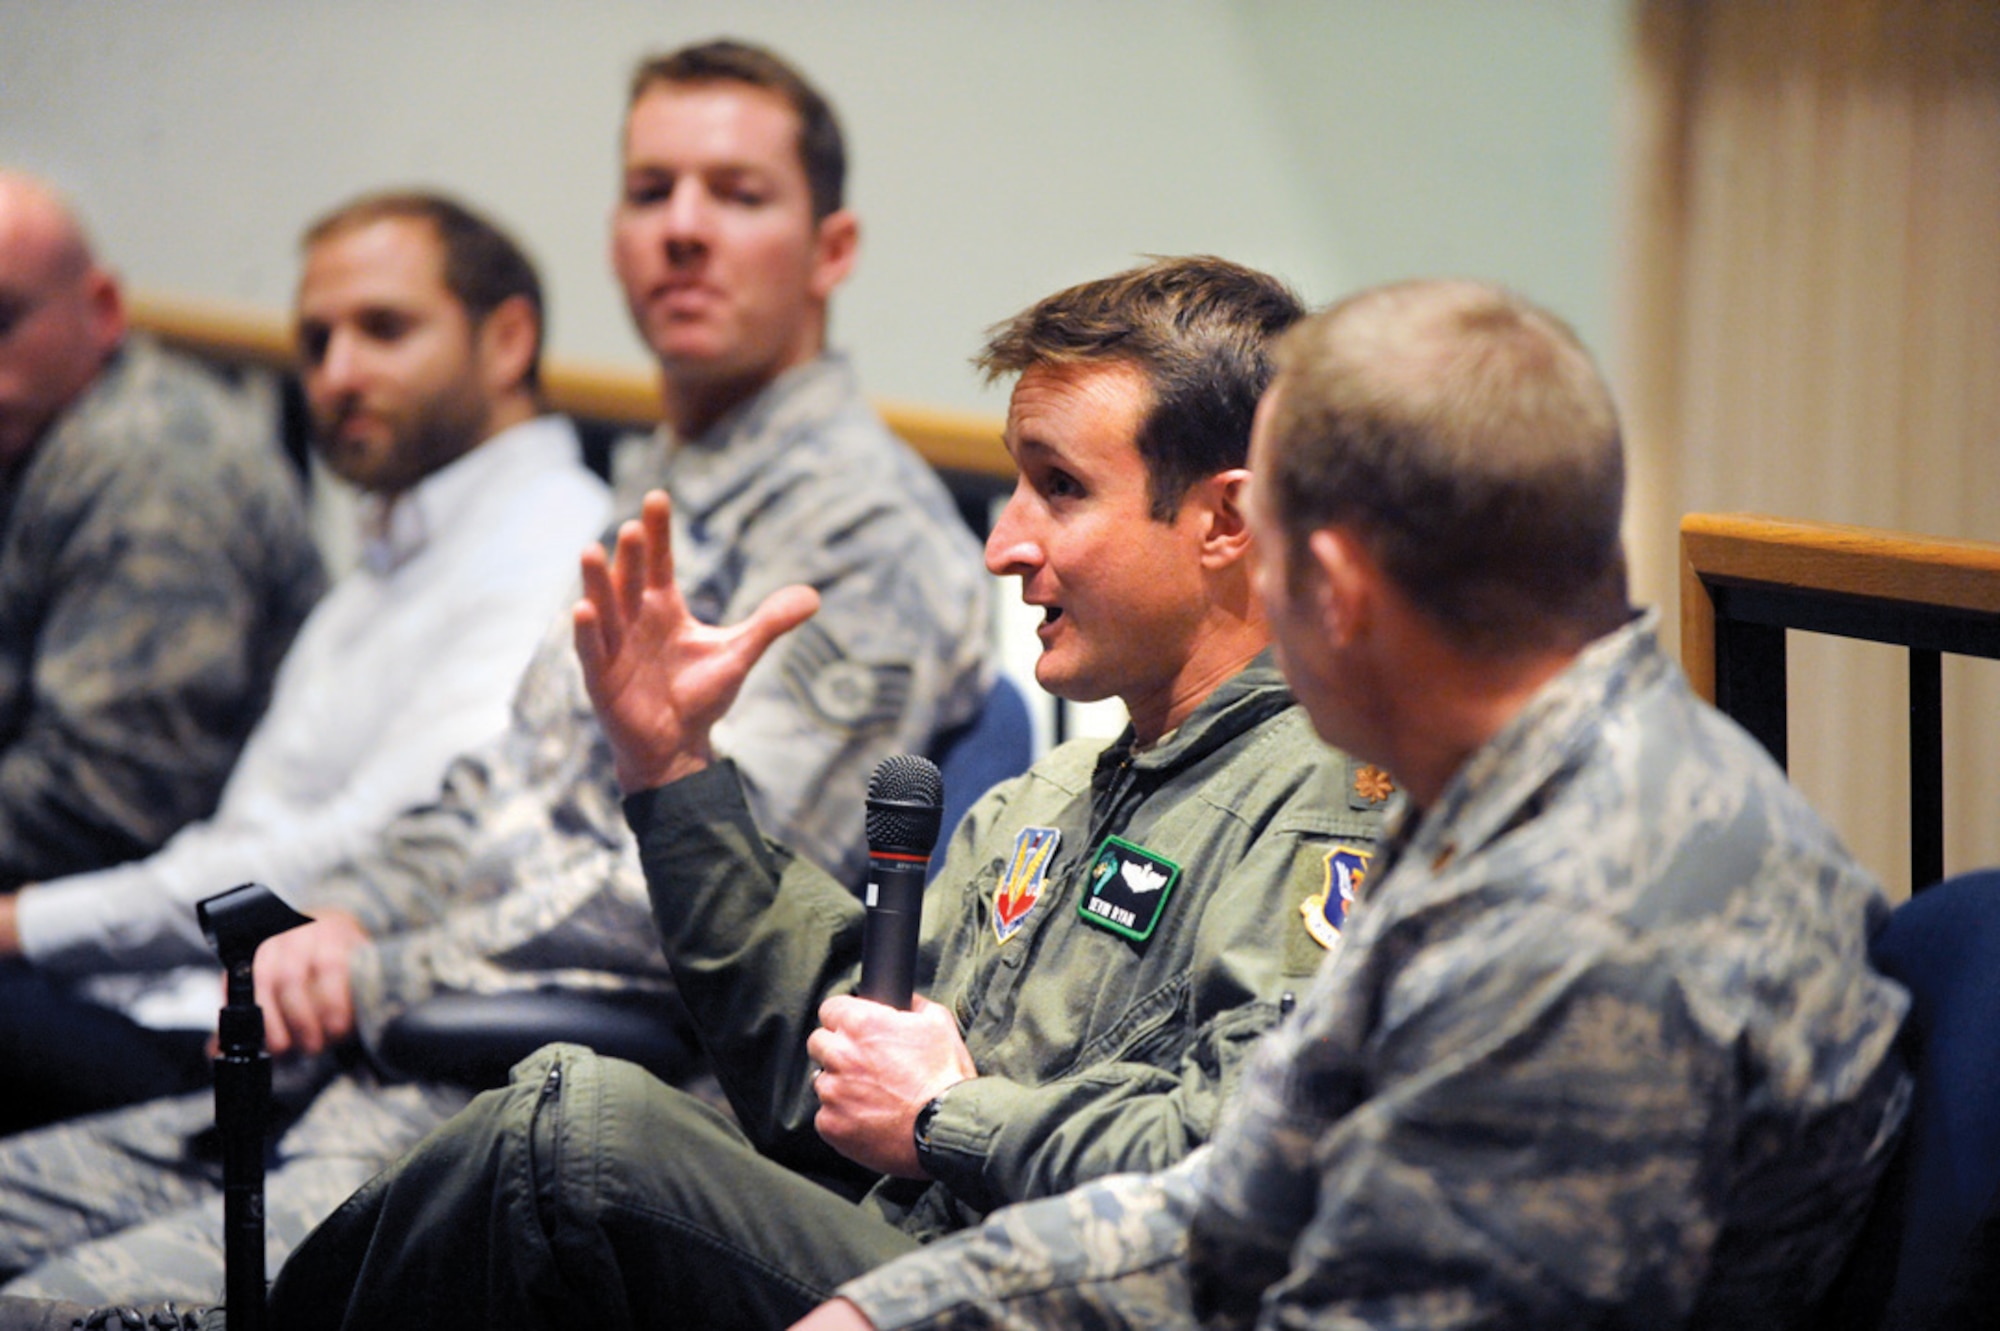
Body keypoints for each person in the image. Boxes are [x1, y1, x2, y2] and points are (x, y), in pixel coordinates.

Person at [0, 39, 991, 1307]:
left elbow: (697, 899)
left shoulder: (870, 540)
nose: (682, 230)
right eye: (650, 192)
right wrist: (336, 916)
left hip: (533, 1107)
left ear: (831, 249)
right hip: (369, 1064)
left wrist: (376, 968)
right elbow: (491, 790)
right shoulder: (657, 478)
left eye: (735, 195)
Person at [253, 253, 1392, 1331]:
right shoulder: (1059, 790)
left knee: (574, 1136)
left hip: (1049, 1300)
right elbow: (832, 1077)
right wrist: (672, 771)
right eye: (1014, 485)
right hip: (903, 1259)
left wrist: (953, 1115)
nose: (1003, 542)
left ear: (1225, 521)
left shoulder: (1329, 804)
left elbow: (1253, 1164)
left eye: (1058, 488)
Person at [794, 279, 1916, 1331]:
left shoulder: (1585, 923)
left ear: (1331, 591)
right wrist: (899, 1310)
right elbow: (1233, 1201)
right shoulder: (1505, 797)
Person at [0, 190, 612, 1133]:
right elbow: (251, 826)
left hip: (285, 1046)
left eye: (384, 329)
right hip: (171, 995)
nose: (338, 373)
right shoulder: (395, 544)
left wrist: (27, 924)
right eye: (317, 341)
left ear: (508, 340)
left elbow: (372, 844)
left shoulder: (552, 547)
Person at [0, 170, 323, 891]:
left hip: (170, 931)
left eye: (1, 321)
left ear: (104, 311)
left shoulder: (154, 462)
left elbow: (109, 800)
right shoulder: (32, 432)